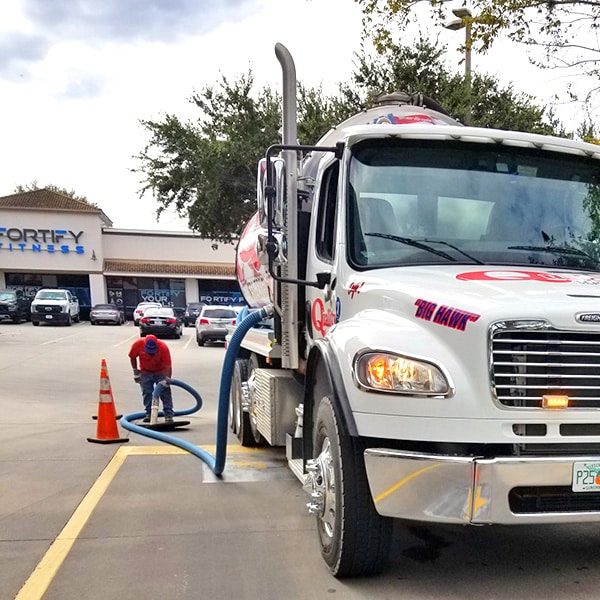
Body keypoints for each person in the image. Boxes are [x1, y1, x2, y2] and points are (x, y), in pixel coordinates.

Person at [128, 334, 174, 423]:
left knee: (165, 392)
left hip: (160, 372)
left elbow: (168, 366)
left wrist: (167, 379)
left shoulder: (163, 347)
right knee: (147, 392)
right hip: (145, 371)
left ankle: (168, 415)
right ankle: (149, 414)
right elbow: (132, 357)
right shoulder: (138, 344)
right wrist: (135, 372)